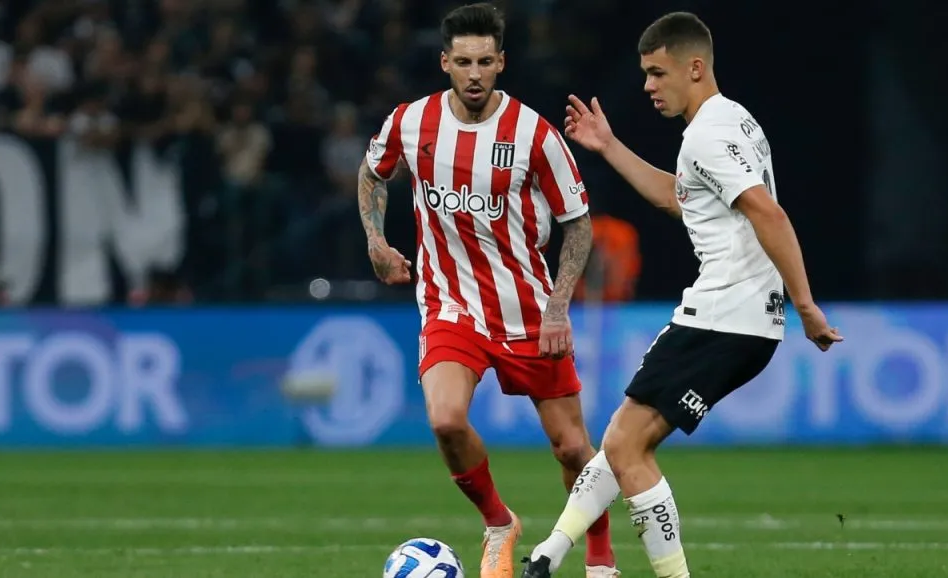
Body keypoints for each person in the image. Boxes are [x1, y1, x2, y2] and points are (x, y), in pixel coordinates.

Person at [521, 12, 844, 578]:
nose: (647, 85)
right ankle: (549, 556)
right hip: (740, 321)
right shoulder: (733, 122)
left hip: (724, 314)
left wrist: (807, 303)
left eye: (656, 73)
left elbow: (767, 212)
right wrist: (609, 146)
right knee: (624, 435)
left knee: (626, 448)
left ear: (694, 68)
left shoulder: (709, 135)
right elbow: (680, 198)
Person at [356, 4, 619, 578]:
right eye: (463, 62)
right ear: (445, 62)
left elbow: (577, 222)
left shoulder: (534, 134)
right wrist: (376, 239)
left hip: (527, 309)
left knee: (573, 448)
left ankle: (600, 558)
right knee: (446, 420)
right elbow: (373, 171)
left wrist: (557, 307)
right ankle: (499, 521)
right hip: (450, 305)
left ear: (501, 63)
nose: (474, 74)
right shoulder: (411, 122)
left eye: (485, 62)